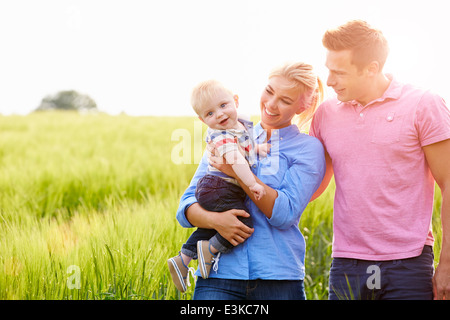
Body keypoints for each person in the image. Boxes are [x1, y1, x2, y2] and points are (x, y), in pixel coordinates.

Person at [310, 20, 450, 300]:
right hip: (347, 262)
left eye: (339, 72)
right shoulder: (326, 114)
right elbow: (310, 186)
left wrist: (447, 263)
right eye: (328, 70)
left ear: (372, 68)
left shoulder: (424, 104)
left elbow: (448, 182)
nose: (329, 81)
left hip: (408, 263)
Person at [175, 62, 326, 300]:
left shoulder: (308, 149)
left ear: (303, 105)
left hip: (277, 279)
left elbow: (284, 213)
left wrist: (236, 172)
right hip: (218, 275)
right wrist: (217, 221)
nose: (271, 104)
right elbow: (186, 207)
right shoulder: (226, 134)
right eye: (269, 91)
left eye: (285, 100)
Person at [167, 79, 270, 292]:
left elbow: (244, 146)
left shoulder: (239, 125)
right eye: (210, 113)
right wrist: (252, 184)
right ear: (202, 120)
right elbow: (237, 162)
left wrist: (256, 147)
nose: (220, 114)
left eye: (223, 106)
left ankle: (184, 258)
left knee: (213, 224)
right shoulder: (221, 136)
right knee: (243, 222)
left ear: (236, 101)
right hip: (218, 187)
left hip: (215, 187)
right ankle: (210, 249)